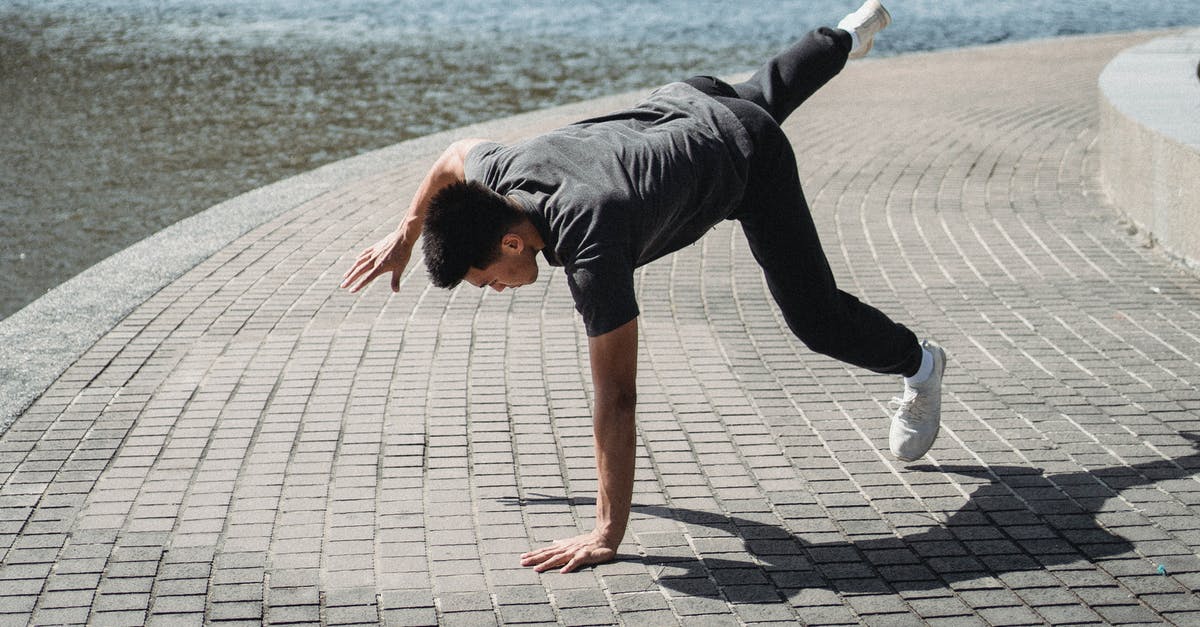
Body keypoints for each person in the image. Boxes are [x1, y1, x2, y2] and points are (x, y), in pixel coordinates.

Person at [341, 0, 946, 574]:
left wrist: (607, 531)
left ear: (511, 243)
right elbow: (453, 156)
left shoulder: (591, 245)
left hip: (745, 158)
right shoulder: (498, 178)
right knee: (764, 91)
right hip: (688, 99)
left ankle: (919, 362)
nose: (494, 291)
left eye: (485, 281)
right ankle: (845, 32)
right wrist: (404, 233)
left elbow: (617, 399)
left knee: (816, 319)